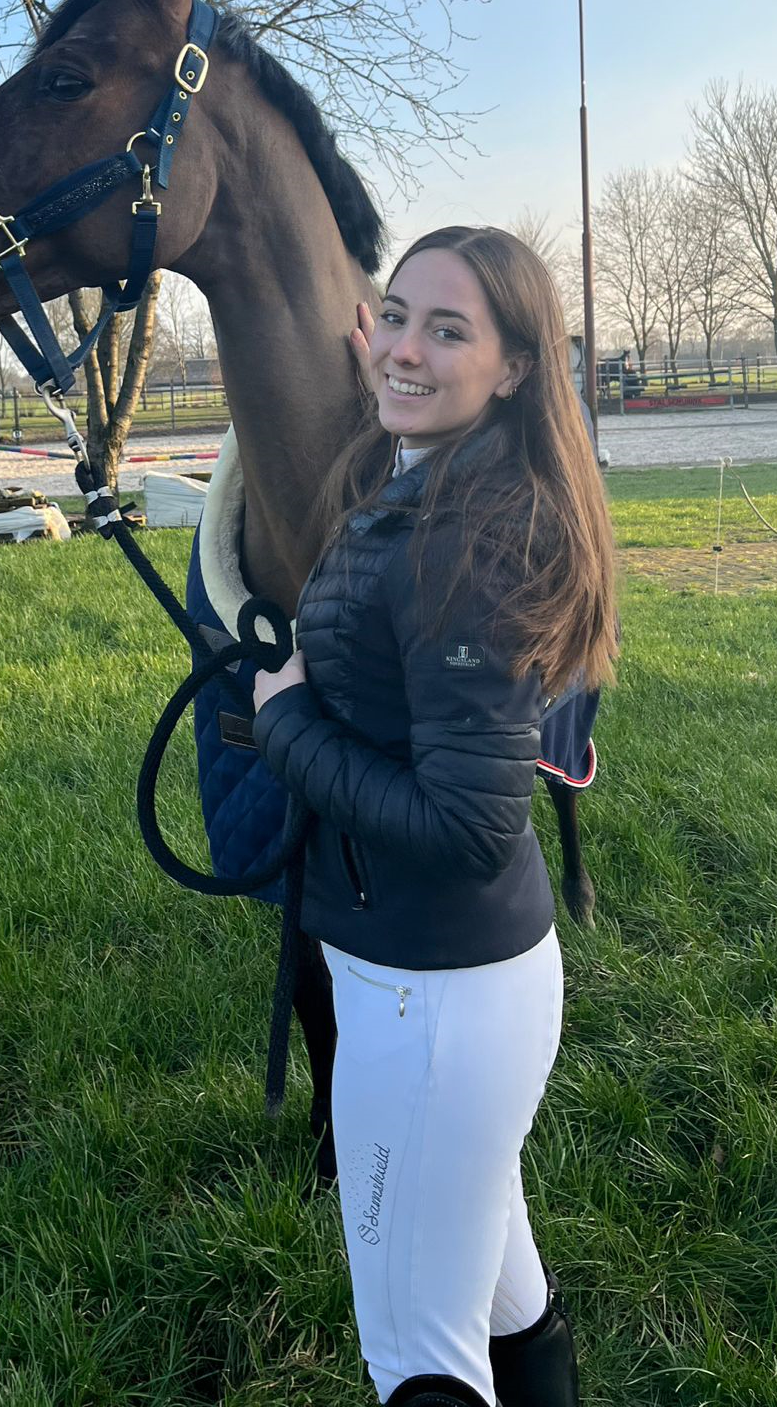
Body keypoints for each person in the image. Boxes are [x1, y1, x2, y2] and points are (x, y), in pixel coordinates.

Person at [252, 227, 619, 1407]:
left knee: (417, 1359)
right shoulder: (432, 478)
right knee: (507, 1300)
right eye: (395, 314)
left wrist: (283, 720)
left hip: (429, 1001)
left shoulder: (470, 540)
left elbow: (467, 823)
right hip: (440, 988)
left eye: (447, 330)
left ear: (514, 368)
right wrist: (392, 363)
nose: (403, 347)